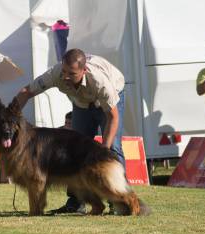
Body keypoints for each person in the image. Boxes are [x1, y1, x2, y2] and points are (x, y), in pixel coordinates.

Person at [16, 48, 126, 214]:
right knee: (75, 150)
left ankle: (118, 202)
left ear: (84, 70)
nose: (65, 77)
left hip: (109, 101)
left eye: (72, 73)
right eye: (64, 71)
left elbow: (113, 117)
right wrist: (13, 113)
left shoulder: (101, 82)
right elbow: (27, 92)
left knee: (112, 149)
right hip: (82, 103)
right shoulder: (55, 74)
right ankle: (76, 202)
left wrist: (104, 148)